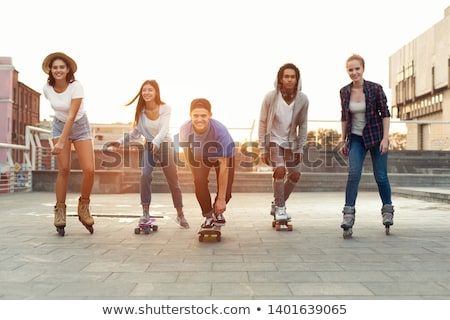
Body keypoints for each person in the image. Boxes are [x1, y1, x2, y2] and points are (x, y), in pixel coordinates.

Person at [109, 80, 189, 228]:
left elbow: (164, 128)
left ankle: (180, 214)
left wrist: (157, 142)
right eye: (144, 90)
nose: (146, 93)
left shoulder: (165, 108)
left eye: (150, 90)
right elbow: (136, 133)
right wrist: (119, 142)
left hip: (165, 145)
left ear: (156, 92)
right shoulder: (141, 112)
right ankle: (145, 212)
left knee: (173, 181)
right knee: (145, 175)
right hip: (150, 146)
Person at [339, 54, 394, 238]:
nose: (354, 72)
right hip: (356, 138)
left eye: (357, 69)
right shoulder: (344, 91)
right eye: (350, 69)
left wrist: (385, 138)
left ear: (363, 68)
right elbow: (345, 117)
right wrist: (343, 139)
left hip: (376, 136)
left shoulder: (375, 89)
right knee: (354, 173)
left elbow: (385, 114)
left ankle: (387, 210)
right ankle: (348, 214)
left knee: (381, 176)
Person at [42, 52, 95, 236]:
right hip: (58, 126)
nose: (58, 70)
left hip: (80, 126)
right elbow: (62, 115)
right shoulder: (47, 88)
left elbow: (72, 115)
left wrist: (62, 142)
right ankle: (60, 211)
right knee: (64, 169)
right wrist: (60, 138)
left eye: (61, 67)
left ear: (68, 70)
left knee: (89, 169)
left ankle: (83, 207)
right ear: (50, 69)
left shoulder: (76, 86)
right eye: (55, 67)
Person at [258, 63, 309, 223]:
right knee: (279, 170)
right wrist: (262, 147)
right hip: (273, 140)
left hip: (291, 143)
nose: (289, 79)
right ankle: (281, 208)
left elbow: (303, 124)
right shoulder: (270, 97)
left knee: (295, 175)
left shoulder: (303, 99)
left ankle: (277, 203)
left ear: (297, 79)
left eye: (292, 77)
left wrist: (300, 147)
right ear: (280, 78)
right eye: (286, 76)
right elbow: (262, 121)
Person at [179, 98, 235, 228]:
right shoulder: (184, 129)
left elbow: (224, 168)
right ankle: (209, 216)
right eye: (196, 115)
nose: (199, 119)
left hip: (223, 156)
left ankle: (218, 212)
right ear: (190, 116)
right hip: (200, 156)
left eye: (203, 115)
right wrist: (196, 176)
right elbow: (187, 153)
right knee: (199, 181)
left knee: (226, 193)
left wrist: (221, 200)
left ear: (210, 115)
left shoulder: (220, 131)